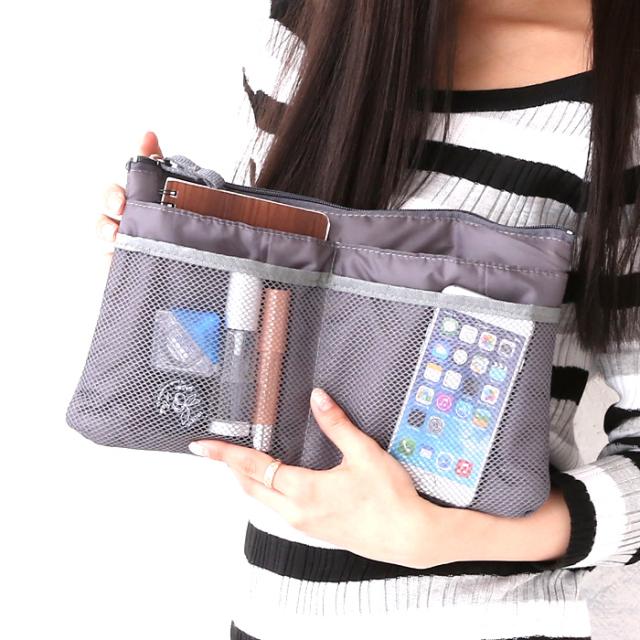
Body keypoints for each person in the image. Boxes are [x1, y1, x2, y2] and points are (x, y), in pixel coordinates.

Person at [97, 1, 640, 638]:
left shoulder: (621, 94)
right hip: (270, 615)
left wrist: (443, 537)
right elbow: (261, 340)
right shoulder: (311, 25)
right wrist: (167, 265)